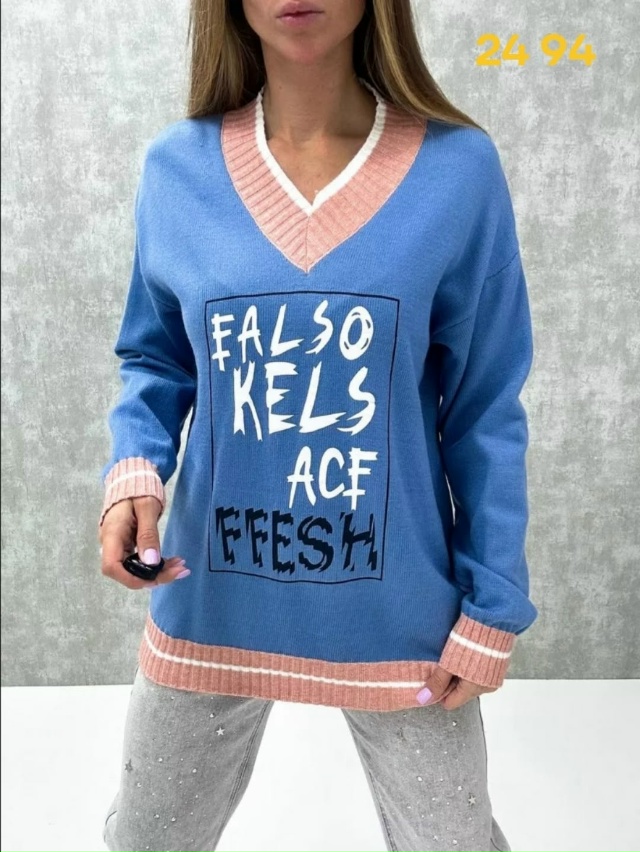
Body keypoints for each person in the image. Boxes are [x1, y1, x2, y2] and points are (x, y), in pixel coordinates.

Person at [98, 1, 538, 850]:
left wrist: (494, 604)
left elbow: (483, 407)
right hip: (211, 602)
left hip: (402, 617)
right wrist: (134, 477)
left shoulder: (457, 171)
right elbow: (157, 358)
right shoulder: (177, 169)